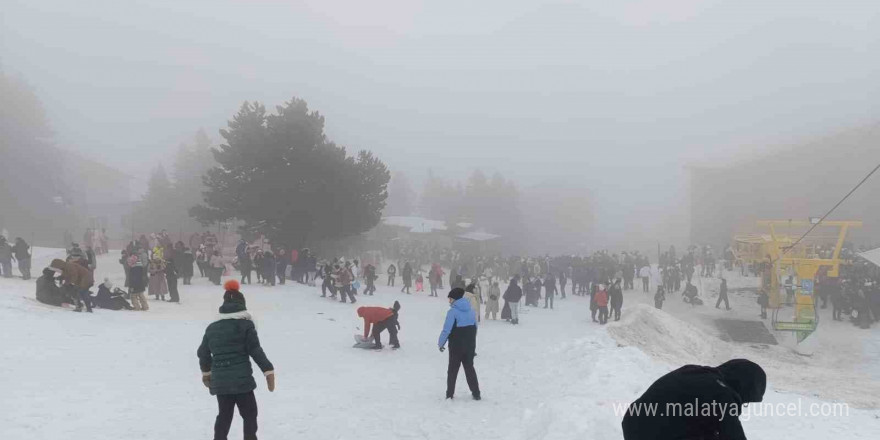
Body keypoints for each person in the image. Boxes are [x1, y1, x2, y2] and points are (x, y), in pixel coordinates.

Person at [198, 280, 275, 440]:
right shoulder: (246, 325)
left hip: (221, 381)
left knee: (224, 415)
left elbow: (202, 352)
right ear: (242, 304)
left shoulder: (212, 328)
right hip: (242, 381)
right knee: (250, 414)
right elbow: (255, 350)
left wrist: (206, 373)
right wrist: (268, 370)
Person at [622, 359, 766, 440]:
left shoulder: (695, 371)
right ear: (743, 386)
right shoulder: (722, 394)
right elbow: (733, 435)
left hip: (633, 423)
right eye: (746, 401)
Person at [438, 287, 481, 400]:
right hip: (470, 345)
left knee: (452, 370)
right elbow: (475, 327)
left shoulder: (452, 312)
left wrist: (440, 343)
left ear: (454, 299)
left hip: (456, 346)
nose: (449, 301)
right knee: (469, 369)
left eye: (450, 299)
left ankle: (449, 394)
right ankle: (476, 393)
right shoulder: (471, 311)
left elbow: (447, 330)